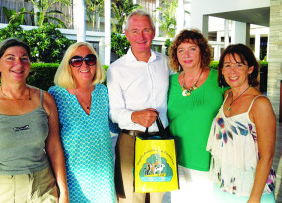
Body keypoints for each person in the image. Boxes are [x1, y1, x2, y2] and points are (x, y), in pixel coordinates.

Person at [0, 38, 69, 202]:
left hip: (43, 186)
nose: (19, 63)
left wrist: (63, 192)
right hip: (1, 190)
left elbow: (54, 147)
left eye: (24, 58)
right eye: (10, 58)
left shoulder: (46, 100)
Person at [107, 10, 170, 203]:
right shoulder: (116, 69)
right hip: (130, 142)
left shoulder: (165, 63)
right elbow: (114, 113)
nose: (141, 37)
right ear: (126, 34)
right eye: (135, 31)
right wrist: (135, 116)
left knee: (158, 198)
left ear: (153, 32)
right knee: (131, 199)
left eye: (146, 30)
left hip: (161, 140)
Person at [48, 42, 118, 202]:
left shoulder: (103, 91)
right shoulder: (56, 95)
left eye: (90, 59)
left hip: (103, 177)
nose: (84, 64)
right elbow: (48, 139)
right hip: (73, 179)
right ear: (68, 66)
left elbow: (116, 125)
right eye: (77, 60)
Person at [206, 44, 276, 203]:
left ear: (250, 69)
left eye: (239, 65)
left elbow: (267, 157)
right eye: (227, 65)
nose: (232, 71)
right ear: (222, 70)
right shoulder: (227, 95)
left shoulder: (260, 103)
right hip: (222, 186)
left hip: (250, 192)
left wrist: (254, 199)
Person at [167, 29, 227, 202]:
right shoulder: (170, 82)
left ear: (202, 51)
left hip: (209, 162)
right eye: (181, 50)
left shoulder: (220, 80)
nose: (186, 54)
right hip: (175, 159)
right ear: (175, 55)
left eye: (192, 48)